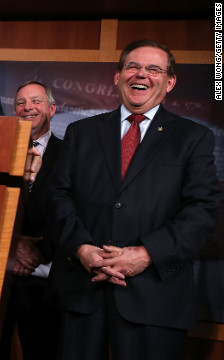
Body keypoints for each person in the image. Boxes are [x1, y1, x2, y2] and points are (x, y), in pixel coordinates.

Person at [48, 39, 223, 360]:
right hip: (82, 291)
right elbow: (57, 197)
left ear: (169, 82)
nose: (141, 74)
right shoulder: (80, 132)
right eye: (133, 66)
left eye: (153, 69)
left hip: (155, 297)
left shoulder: (193, 138)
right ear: (117, 76)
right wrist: (82, 248)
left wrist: (146, 254)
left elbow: (202, 212)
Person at [5, 81, 61, 360]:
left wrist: (37, 251)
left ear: (52, 108)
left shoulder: (71, 154)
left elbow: (77, 210)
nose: (27, 108)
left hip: (45, 278)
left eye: (36, 101)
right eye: (21, 103)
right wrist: (12, 244)